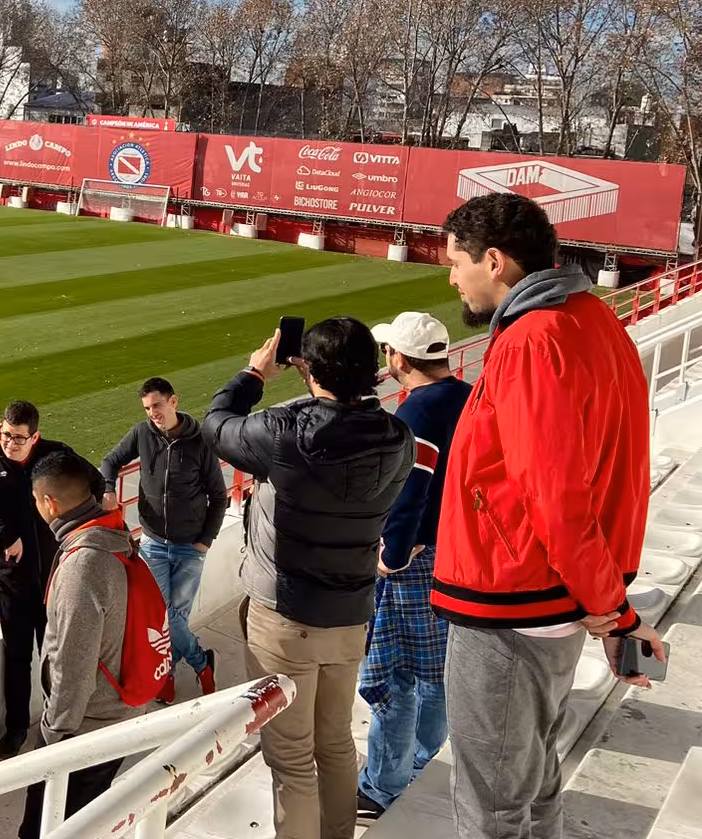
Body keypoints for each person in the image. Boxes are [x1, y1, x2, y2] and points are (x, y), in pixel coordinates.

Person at [434, 193, 665, 839]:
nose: (451, 278)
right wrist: (606, 594)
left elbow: (556, 494)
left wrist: (612, 607)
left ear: (496, 261)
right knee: (532, 781)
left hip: (514, 599)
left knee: (491, 803)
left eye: (456, 263)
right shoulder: (592, 318)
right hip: (554, 596)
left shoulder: (534, 339)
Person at [204, 318, 414, 839]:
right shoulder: (398, 436)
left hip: (286, 617)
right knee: (337, 743)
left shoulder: (284, 433)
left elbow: (215, 424)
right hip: (349, 618)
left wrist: (253, 373)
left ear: (305, 366)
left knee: (292, 758)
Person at [354, 312, 472, 821]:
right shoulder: (472, 396)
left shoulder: (416, 415)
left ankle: (382, 785)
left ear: (398, 358)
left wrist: (394, 555)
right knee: (438, 669)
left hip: (417, 564)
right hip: (462, 555)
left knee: (397, 677)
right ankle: (425, 758)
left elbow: (411, 493)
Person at [0, 400, 103, 759]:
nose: (10, 443)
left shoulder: (55, 457)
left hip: (58, 579)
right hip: (13, 584)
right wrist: (3, 532)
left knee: (58, 657)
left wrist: (102, 502)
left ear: (36, 437)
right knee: (18, 658)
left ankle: (61, 725)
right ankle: (16, 728)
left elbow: (94, 480)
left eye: (19, 438)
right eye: (6, 435)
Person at [16, 449, 145, 839]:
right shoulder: (114, 536)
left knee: (44, 831)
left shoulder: (80, 567)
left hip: (83, 732)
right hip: (115, 716)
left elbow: (73, 668)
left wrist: (53, 738)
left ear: (49, 503)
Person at [98, 376, 225, 702]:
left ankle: (172, 673)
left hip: (190, 547)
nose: (152, 412)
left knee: (174, 618)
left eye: (156, 405)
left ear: (174, 402)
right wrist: (108, 488)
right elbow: (110, 461)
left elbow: (218, 496)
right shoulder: (142, 433)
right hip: (153, 543)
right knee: (163, 617)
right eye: (147, 407)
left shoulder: (200, 443)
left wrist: (205, 541)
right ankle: (200, 662)